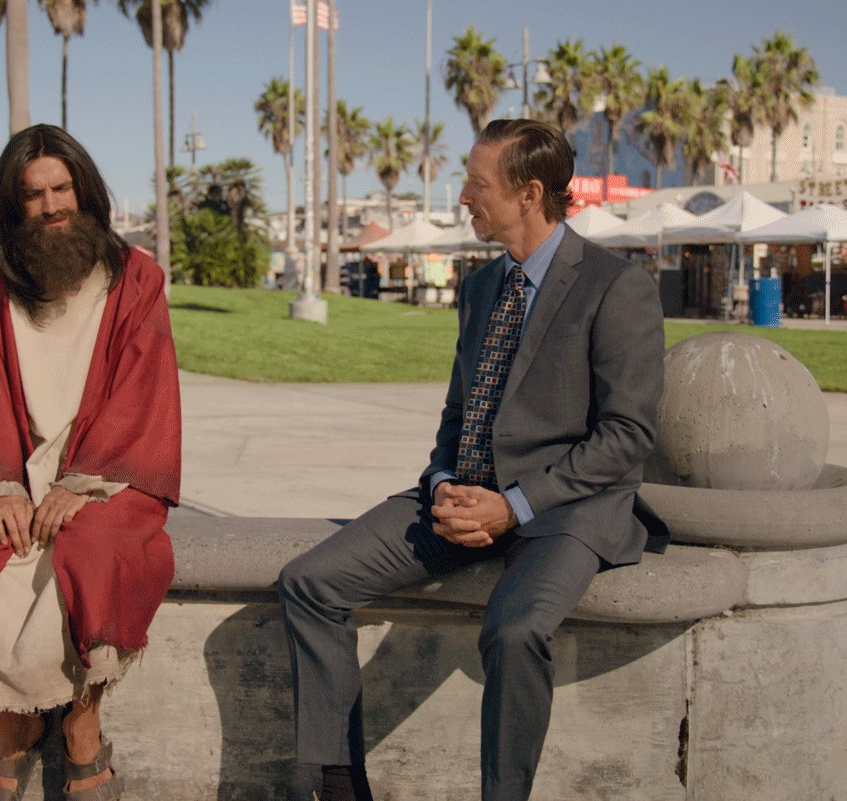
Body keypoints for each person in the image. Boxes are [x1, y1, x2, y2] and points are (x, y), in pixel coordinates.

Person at [278, 118, 665, 801]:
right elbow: (460, 412)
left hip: (564, 512)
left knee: (514, 631)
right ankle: (340, 785)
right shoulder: (482, 287)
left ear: (529, 194)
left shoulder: (616, 286)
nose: (463, 197)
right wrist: (443, 481)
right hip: (463, 497)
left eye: (476, 184)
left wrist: (512, 506)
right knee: (309, 581)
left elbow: (627, 435)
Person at [0, 124, 181, 801]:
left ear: (84, 190)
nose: (52, 206)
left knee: (97, 549)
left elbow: (143, 391)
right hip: (12, 470)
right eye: (35, 195)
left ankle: (81, 729)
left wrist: (84, 484)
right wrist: (0, 483)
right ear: (14, 203)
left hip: (108, 473)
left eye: (62, 188)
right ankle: (14, 730)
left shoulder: (135, 278)